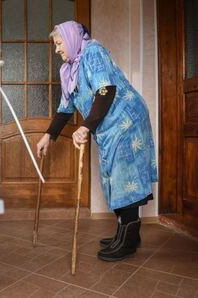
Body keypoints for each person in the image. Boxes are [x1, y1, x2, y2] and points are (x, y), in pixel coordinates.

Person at [36, 21, 157, 262]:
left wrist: (85, 126)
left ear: (71, 39)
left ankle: (129, 240)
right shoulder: (70, 70)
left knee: (125, 177)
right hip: (107, 124)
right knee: (113, 177)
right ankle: (125, 233)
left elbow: (105, 90)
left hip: (126, 119)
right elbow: (65, 107)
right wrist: (48, 135)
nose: (57, 49)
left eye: (59, 44)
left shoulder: (92, 52)